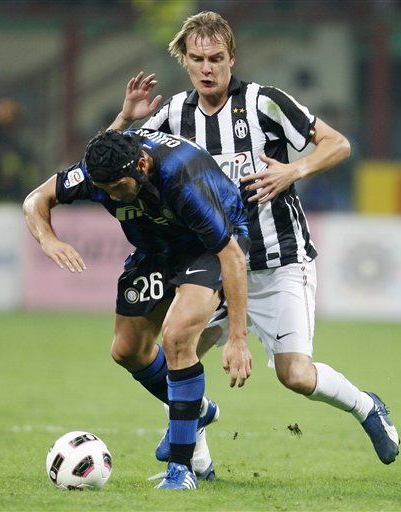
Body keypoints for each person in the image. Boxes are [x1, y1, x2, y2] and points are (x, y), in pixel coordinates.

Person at [108, 10, 400, 471]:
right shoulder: (172, 114)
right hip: (214, 263)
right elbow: (108, 163)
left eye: (216, 58)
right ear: (184, 60)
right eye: (198, 58)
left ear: (232, 58)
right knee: (176, 355)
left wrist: (293, 169)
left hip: (279, 260)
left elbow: (338, 143)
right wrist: (126, 119)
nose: (207, 68)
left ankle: (367, 407)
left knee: (296, 375)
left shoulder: (264, 103)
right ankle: (196, 460)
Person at [23, 128, 252, 490]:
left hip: (208, 246)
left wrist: (238, 337)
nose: (112, 197)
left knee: (177, 336)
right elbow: (35, 200)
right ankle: (197, 411)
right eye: (106, 190)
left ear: (142, 165)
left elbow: (232, 256)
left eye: (118, 188)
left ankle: (182, 469)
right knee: (127, 350)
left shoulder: (181, 181)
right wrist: (48, 239)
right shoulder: (99, 173)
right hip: (156, 248)